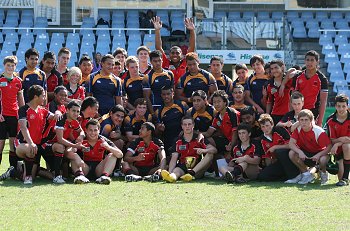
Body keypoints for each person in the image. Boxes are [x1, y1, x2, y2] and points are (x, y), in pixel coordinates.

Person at [15, 85, 59, 184]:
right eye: (43, 96)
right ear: (35, 97)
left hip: (37, 145)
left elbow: (54, 117)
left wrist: (58, 111)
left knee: (34, 173)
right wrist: (30, 143)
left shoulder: (42, 110)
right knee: (30, 149)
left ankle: (17, 171)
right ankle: (28, 177)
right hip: (22, 143)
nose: (45, 98)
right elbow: (23, 127)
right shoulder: (23, 110)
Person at [40, 100, 86, 184]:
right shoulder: (61, 119)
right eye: (73, 111)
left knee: (64, 174)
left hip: (57, 147)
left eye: (78, 111)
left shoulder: (74, 121)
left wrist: (81, 136)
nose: (76, 113)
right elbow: (60, 139)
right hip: (45, 145)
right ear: (67, 110)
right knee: (60, 146)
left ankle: (38, 171)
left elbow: (81, 131)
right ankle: (57, 176)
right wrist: (75, 145)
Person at [279, 50, 328, 126]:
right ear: (304, 61)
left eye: (312, 60)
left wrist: (320, 121)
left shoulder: (322, 79)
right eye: (307, 60)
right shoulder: (297, 76)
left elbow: (323, 102)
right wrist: (292, 115)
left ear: (317, 62)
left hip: (313, 113)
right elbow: (293, 98)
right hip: (298, 113)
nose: (309, 62)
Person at [161, 116, 216, 183]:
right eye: (185, 124)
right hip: (182, 166)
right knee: (176, 171)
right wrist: (170, 172)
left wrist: (204, 150)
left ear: (193, 125)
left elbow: (214, 149)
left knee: (210, 154)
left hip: (197, 168)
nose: (187, 126)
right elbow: (174, 159)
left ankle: (191, 174)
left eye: (189, 124)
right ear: (182, 126)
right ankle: (171, 177)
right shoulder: (177, 141)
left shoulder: (199, 138)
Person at [285, 109, 331, 185]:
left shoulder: (318, 131)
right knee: (292, 153)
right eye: (301, 120)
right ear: (298, 121)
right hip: (306, 153)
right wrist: (300, 152)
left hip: (320, 153)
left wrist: (318, 155)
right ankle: (307, 175)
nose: (303, 122)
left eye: (306, 120)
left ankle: (324, 174)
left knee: (323, 160)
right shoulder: (298, 129)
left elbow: (329, 147)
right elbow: (291, 144)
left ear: (311, 120)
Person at [73, 119, 123, 184]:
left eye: (95, 130)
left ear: (99, 131)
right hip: (84, 168)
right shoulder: (80, 140)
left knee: (113, 155)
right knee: (73, 155)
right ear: (86, 130)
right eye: (90, 130)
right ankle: (80, 176)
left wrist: (108, 147)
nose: (93, 133)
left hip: (99, 169)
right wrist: (75, 153)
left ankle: (104, 177)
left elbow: (120, 154)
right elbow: (67, 152)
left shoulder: (103, 140)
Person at [0, 56, 25, 180]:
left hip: (14, 116)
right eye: (8, 65)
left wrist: (23, 114)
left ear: (15, 67)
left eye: (12, 65)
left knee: (12, 144)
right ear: (4, 65)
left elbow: (20, 99)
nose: (10, 67)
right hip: (2, 116)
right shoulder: (0, 79)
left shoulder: (18, 81)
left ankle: (13, 170)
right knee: (0, 144)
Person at [152, 16, 196, 84]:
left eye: (177, 53)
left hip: (183, 93)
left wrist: (192, 30)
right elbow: (158, 47)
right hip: (167, 93)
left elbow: (191, 47)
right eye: (172, 53)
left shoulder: (185, 62)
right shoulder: (165, 62)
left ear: (181, 54)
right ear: (169, 54)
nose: (175, 55)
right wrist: (157, 30)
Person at [257, 114, 299, 181]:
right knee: (263, 176)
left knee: (280, 151)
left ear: (272, 124)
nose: (266, 129)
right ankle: (286, 177)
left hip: (291, 159)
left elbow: (292, 145)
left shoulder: (280, 130)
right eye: (263, 127)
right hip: (278, 162)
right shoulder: (262, 139)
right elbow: (267, 157)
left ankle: (294, 176)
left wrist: (275, 147)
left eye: (267, 125)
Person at [203, 90, 240, 161]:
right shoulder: (217, 116)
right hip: (226, 141)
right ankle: (213, 165)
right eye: (214, 102)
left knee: (229, 160)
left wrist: (231, 148)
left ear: (225, 102)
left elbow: (235, 133)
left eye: (219, 101)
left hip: (237, 142)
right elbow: (208, 133)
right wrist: (195, 133)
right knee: (206, 140)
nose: (216, 104)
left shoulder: (232, 113)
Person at [155, 86, 188, 157]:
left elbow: (189, 120)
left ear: (173, 93)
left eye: (168, 94)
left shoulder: (182, 105)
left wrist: (184, 131)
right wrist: (159, 128)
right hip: (168, 140)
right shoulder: (158, 111)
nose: (166, 96)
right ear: (161, 95)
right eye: (164, 94)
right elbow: (157, 132)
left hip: (183, 137)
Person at [326, 94, 350, 186]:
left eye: (343, 106)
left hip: (347, 147)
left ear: (347, 106)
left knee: (346, 145)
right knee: (340, 178)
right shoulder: (331, 120)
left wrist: (338, 142)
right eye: (338, 106)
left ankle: (345, 178)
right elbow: (332, 140)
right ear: (335, 106)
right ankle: (343, 177)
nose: (341, 109)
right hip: (338, 150)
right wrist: (339, 141)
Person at [143, 50, 174, 114]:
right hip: (156, 108)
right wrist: (153, 114)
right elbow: (146, 98)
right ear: (151, 62)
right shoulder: (147, 77)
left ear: (162, 60)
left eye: (159, 60)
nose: (157, 63)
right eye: (155, 61)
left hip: (169, 108)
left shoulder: (170, 74)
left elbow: (173, 92)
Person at [264, 60, 293, 125]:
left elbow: (293, 70)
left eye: (276, 67)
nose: (274, 70)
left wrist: (283, 84)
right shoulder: (269, 85)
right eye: (272, 69)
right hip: (275, 114)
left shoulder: (290, 79)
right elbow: (269, 102)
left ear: (282, 67)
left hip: (289, 113)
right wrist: (267, 116)